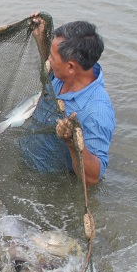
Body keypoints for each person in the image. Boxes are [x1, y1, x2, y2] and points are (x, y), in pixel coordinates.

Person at [22, 14, 115, 185]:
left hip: (47, 178)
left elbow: (94, 178)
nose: (48, 60)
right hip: (27, 148)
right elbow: (50, 71)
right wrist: (41, 40)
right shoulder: (64, 73)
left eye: (52, 56)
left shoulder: (96, 112)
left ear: (71, 67)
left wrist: (72, 142)